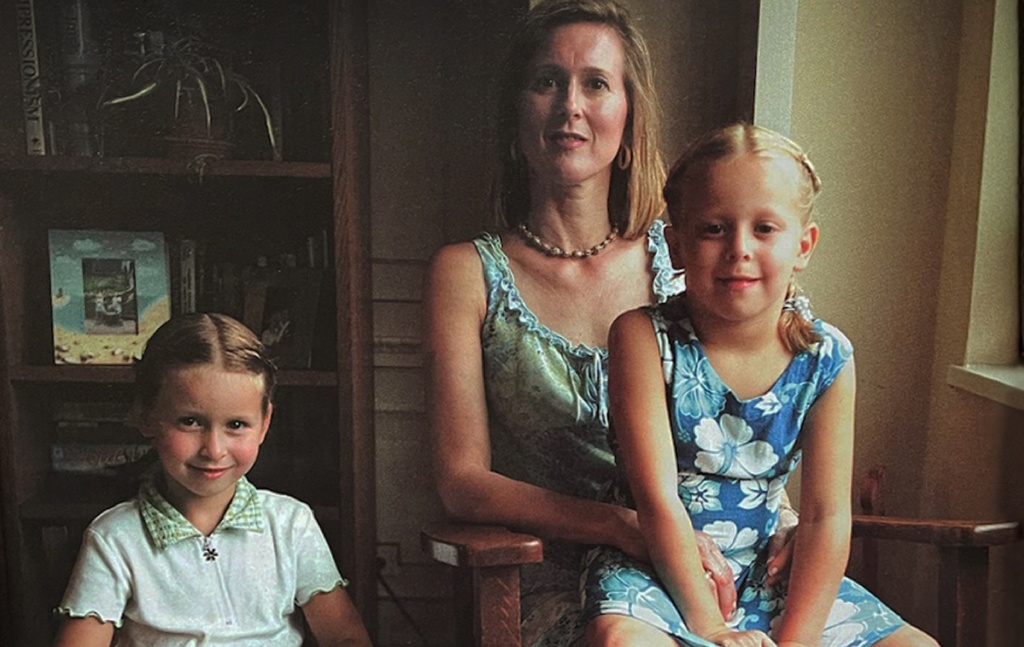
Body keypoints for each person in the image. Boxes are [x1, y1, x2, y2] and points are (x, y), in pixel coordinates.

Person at [425, 3, 795, 644]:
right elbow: (462, 483)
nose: (570, 105)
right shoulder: (466, 274)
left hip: (716, 561)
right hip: (553, 575)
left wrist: (786, 520)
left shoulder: (689, 256)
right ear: (516, 113)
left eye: (595, 83)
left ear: (628, 117)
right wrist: (624, 525)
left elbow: (761, 408)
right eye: (547, 81)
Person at [581, 123, 937, 646]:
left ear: (803, 245)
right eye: (713, 229)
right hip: (661, 570)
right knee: (622, 643)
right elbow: (657, 500)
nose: (739, 249)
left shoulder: (826, 359)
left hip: (769, 571)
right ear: (676, 245)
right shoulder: (642, 339)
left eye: (765, 228)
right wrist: (711, 629)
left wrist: (796, 640)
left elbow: (825, 518)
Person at [53, 313, 372, 647]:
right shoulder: (115, 538)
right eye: (190, 421)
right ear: (146, 416)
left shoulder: (291, 525)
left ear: (264, 423)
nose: (214, 450)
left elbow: (345, 637)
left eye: (236, 425)